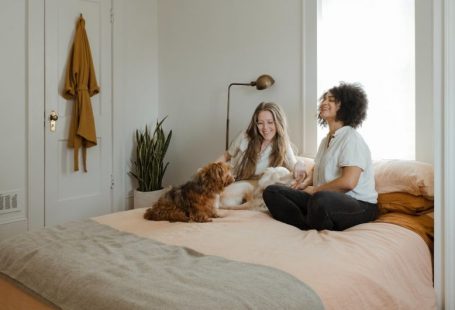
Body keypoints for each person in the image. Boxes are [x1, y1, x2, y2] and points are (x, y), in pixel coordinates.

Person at [263, 82, 379, 231]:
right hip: (323, 199)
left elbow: (348, 182)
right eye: (324, 99)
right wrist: (305, 184)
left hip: (360, 205)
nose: (324, 102)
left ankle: (311, 219)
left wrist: (316, 190)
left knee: (320, 199)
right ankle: (306, 224)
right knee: (272, 192)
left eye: (331, 100)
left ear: (345, 106)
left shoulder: (351, 138)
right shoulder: (326, 140)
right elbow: (316, 169)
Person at [217, 102, 306, 182]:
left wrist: (300, 164)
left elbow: (293, 163)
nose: (265, 128)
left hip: (250, 187)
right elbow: (226, 156)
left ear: (279, 123)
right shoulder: (245, 135)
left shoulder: (283, 145)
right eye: (260, 123)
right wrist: (211, 170)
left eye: (270, 122)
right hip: (228, 180)